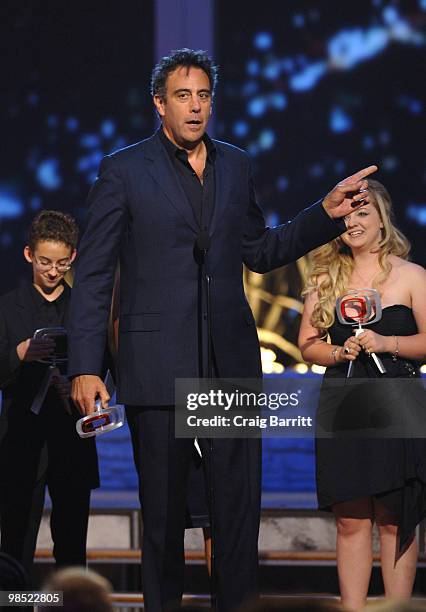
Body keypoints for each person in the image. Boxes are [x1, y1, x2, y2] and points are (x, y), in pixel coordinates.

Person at [68, 48, 377, 611]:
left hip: (229, 365)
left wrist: (323, 214)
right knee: (162, 522)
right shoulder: (124, 169)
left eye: (204, 95)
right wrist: (87, 365)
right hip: (158, 367)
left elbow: (260, 251)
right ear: (159, 103)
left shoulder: (235, 164)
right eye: (183, 96)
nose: (195, 107)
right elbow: (92, 276)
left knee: (236, 517)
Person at [298, 180, 426, 610]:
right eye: (346, 215)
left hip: (398, 404)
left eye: (363, 213)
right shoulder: (324, 278)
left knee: (395, 520)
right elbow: (308, 345)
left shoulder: (412, 276)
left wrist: (386, 343)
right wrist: (339, 350)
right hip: (344, 403)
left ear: (382, 219)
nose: (353, 222)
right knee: (351, 521)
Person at [0, 210, 99, 573]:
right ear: (29, 255)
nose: (52, 271)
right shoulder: (7, 308)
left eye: (60, 263)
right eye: (44, 262)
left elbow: (103, 368)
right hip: (20, 442)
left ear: (73, 257)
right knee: (14, 547)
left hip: (71, 441)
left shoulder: (86, 310)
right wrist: (19, 354)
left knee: (72, 548)